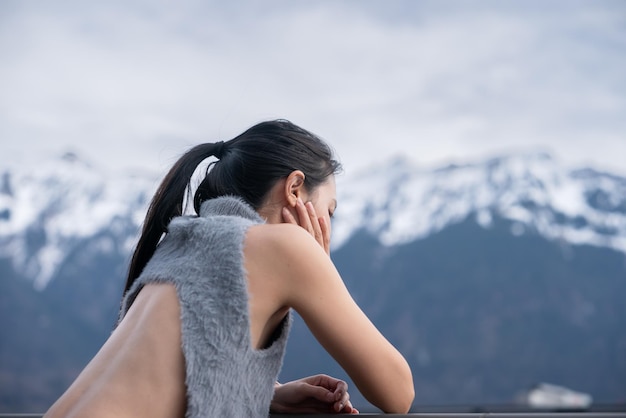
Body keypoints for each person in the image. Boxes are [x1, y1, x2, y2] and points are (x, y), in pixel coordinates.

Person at [44, 119, 414, 417]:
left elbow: (178, 358)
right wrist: (321, 267)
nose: (327, 225)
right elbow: (398, 393)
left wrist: (273, 393)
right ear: (296, 188)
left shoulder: (183, 241)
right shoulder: (290, 248)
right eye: (329, 210)